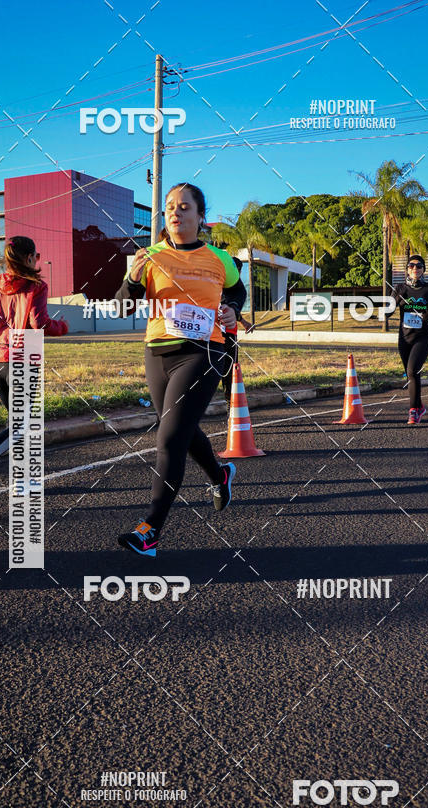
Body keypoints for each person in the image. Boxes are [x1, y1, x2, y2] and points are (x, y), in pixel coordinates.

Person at [115, 183, 246, 558]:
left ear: (201, 217)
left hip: (205, 352)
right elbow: (123, 307)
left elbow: (236, 292)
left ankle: (150, 530)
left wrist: (232, 310)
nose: (175, 212)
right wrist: (132, 280)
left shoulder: (220, 259)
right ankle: (220, 474)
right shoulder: (149, 256)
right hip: (158, 353)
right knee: (181, 431)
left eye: (185, 207)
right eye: (170, 206)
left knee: (170, 437)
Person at [0, 236, 68, 503]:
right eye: (36, 256)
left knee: (18, 423)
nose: (37, 260)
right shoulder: (36, 286)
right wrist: (62, 327)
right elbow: (39, 323)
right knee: (24, 422)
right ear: (29, 258)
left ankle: (24, 483)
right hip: (22, 359)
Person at [390, 254, 428, 424]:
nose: (415, 268)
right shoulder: (400, 288)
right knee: (411, 374)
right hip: (404, 337)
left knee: (413, 371)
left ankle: (413, 410)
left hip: (423, 337)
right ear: (407, 269)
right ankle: (419, 406)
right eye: (411, 266)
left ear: (423, 269)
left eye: (419, 266)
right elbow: (389, 309)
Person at [221, 257, 254, 414]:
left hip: (230, 334)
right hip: (219, 335)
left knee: (230, 372)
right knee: (224, 371)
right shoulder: (221, 285)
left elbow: (234, 311)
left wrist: (244, 322)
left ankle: (231, 407)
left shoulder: (237, 289)